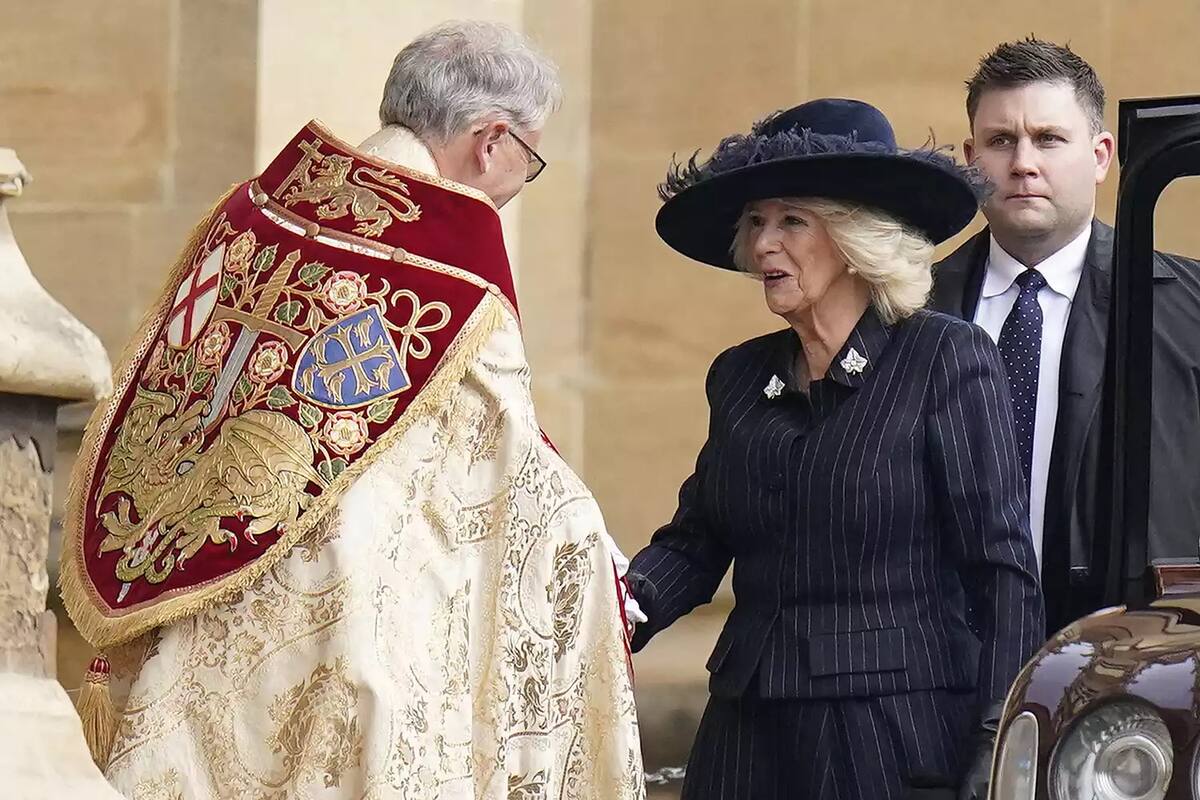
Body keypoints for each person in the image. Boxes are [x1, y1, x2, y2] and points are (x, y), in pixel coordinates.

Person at [60, 21, 644, 799]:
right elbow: (510, 464)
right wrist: (601, 558)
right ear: (490, 141)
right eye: (528, 160)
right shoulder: (455, 267)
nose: (516, 182)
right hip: (352, 625)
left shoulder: (260, 209)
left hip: (206, 609)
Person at [625, 98, 1044, 800]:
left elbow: (1000, 568)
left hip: (886, 735)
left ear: (858, 238)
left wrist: (999, 734)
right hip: (744, 732)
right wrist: (613, 608)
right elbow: (697, 539)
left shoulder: (946, 358)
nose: (763, 246)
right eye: (755, 222)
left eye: (792, 221)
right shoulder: (739, 374)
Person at [931, 37, 1200, 632]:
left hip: (1130, 659)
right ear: (971, 157)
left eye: (1049, 139)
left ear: (1102, 155)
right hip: (939, 665)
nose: (1023, 162)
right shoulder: (907, 311)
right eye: (1001, 141)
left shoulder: (1191, 310)